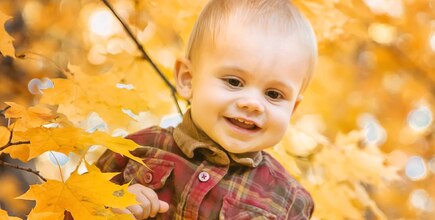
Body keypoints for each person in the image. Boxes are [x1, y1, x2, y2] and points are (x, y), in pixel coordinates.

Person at [96, 0, 317, 219]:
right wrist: (111, 208)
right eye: (234, 82)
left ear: (293, 108)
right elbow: (73, 208)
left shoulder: (288, 200)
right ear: (188, 79)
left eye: (273, 94)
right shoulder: (135, 151)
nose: (252, 103)